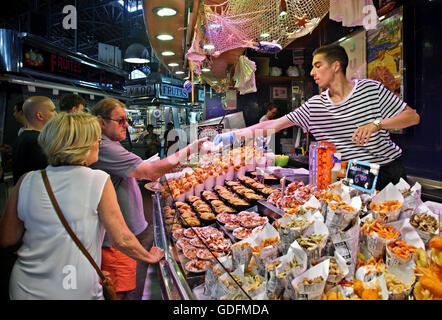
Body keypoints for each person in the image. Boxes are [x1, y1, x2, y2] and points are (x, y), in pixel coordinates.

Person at [0, 112, 164, 300]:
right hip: (74, 287)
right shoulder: (97, 179)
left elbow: (7, 238)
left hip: (25, 286)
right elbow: (122, 239)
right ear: (83, 145)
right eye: (96, 139)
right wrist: (149, 256)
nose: (99, 144)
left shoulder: (26, 180)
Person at [214, 44, 420, 191]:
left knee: (398, 233)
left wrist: (378, 124)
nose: (312, 72)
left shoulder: (370, 89)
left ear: (336, 66)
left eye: (318, 65)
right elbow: (275, 124)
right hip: (353, 173)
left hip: (388, 170)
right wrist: (234, 135)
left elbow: (412, 117)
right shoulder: (315, 106)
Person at [90, 98, 208, 299]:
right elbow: (151, 172)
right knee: (121, 292)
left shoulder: (112, 145)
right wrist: (191, 149)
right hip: (116, 242)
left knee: (128, 286)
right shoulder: (105, 147)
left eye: (126, 119)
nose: (126, 125)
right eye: (120, 120)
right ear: (102, 122)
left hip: (125, 237)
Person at [12, 96, 57, 185]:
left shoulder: (22, 137)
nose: (56, 114)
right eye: (52, 110)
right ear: (40, 116)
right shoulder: (37, 141)